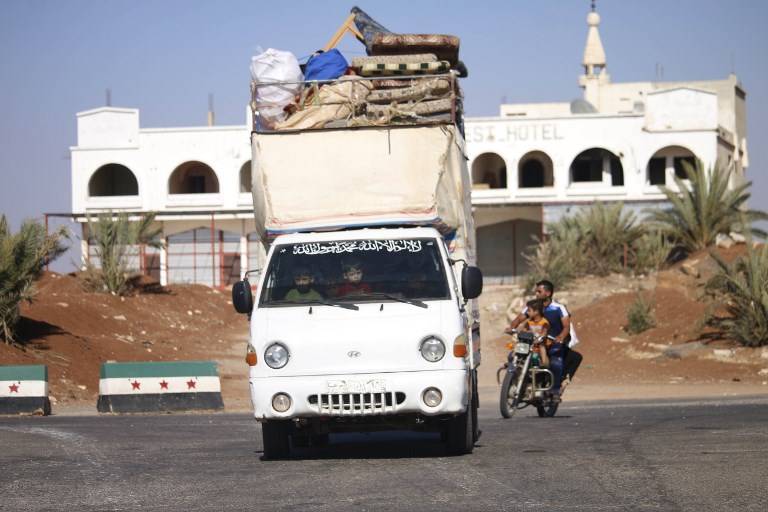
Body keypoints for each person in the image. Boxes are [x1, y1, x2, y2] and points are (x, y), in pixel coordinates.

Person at [507, 280, 580, 399]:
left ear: (548, 293)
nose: (536, 293)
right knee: (513, 355)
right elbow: (518, 319)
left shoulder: (558, 308)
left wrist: (560, 337)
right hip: (533, 341)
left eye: (539, 291)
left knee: (556, 361)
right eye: (536, 291)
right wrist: (511, 327)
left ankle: (555, 389)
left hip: (552, 342)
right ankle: (515, 383)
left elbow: (566, 326)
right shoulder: (533, 307)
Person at [519, 298, 550, 368]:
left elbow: (544, 333)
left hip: (539, 344)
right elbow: (524, 330)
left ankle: (544, 362)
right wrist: (521, 332)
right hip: (530, 344)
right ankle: (513, 361)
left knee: (542, 346)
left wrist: (541, 337)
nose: (527, 312)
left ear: (536, 312)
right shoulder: (529, 322)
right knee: (519, 345)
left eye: (529, 311)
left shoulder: (544, 322)